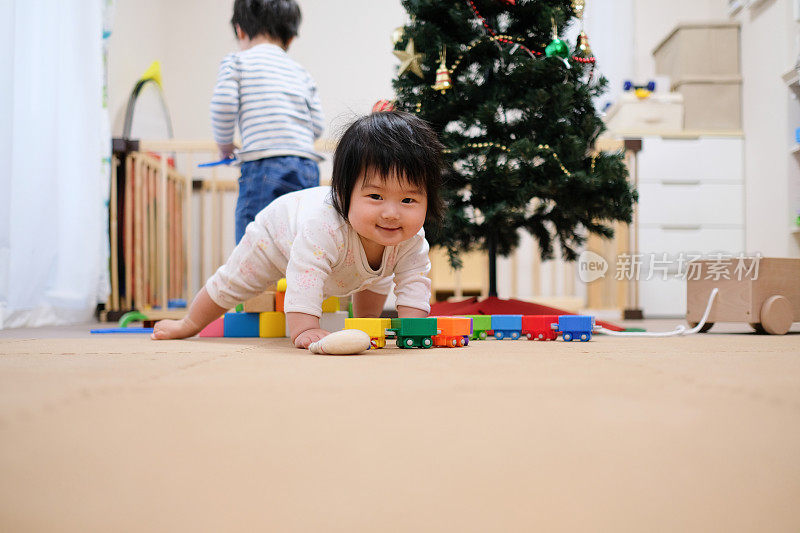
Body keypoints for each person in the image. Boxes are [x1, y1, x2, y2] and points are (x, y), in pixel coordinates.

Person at [153, 111, 444, 349]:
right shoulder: (324, 226)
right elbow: (306, 276)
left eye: (408, 200)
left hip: (351, 267)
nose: (392, 213)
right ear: (343, 194)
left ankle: (364, 324)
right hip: (277, 237)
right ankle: (188, 323)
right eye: (375, 197)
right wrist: (306, 328)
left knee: (376, 278)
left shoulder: (411, 240)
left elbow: (414, 283)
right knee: (235, 281)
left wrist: (413, 332)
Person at [212, 0, 325, 243]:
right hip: (306, 166)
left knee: (255, 242)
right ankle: (297, 281)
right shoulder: (300, 72)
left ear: (240, 30)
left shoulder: (237, 62)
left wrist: (225, 146)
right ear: (290, 38)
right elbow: (317, 126)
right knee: (300, 240)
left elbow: (223, 104)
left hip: (264, 164)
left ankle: (256, 282)